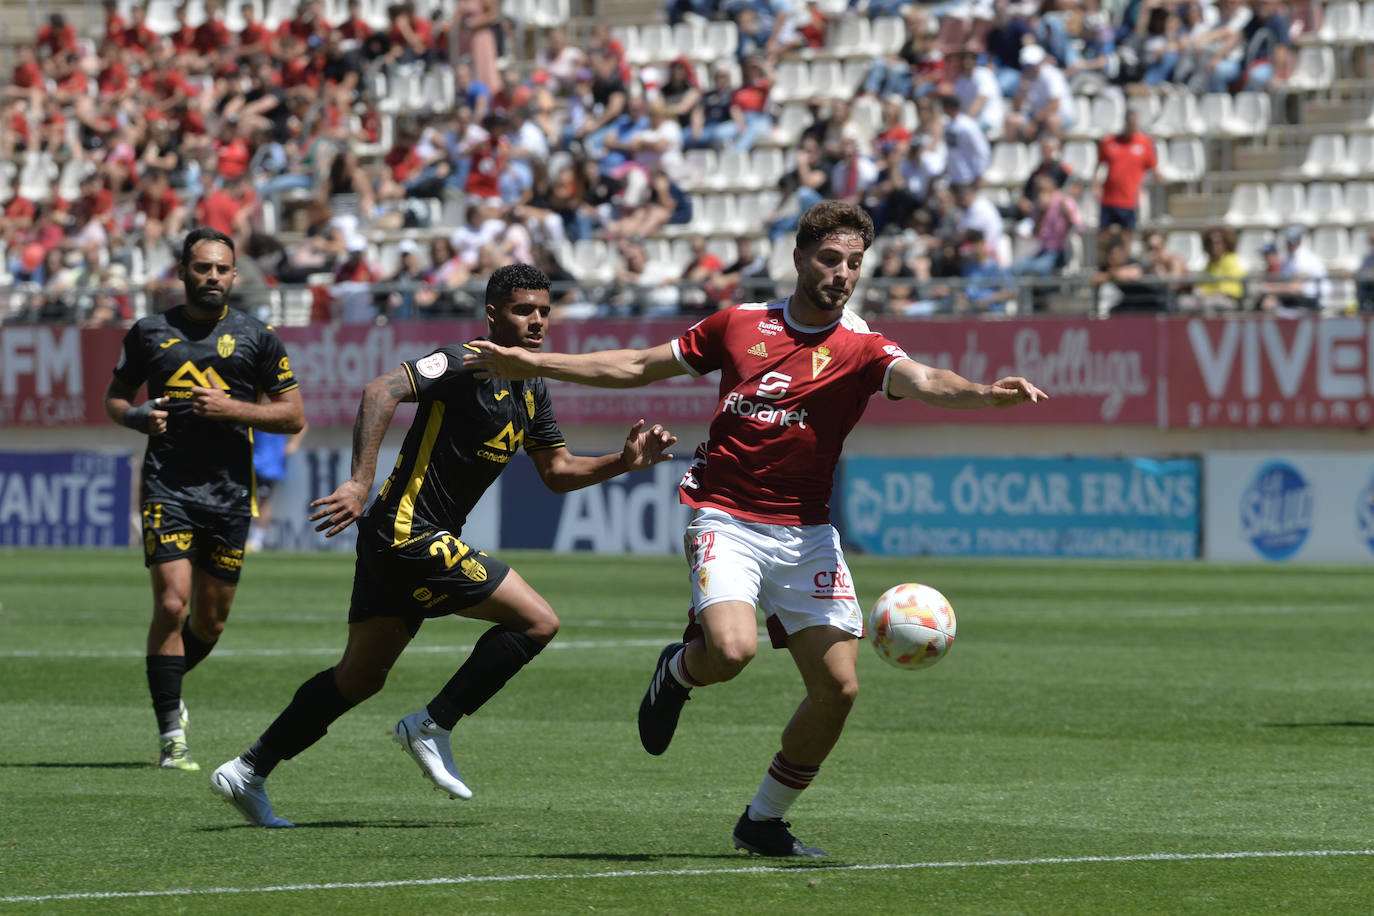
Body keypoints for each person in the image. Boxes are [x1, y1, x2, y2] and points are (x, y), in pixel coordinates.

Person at [462, 202, 1048, 857]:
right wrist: (536, 364)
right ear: (798, 258)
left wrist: (984, 395)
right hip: (726, 517)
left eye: (854, 263)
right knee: (732, 652)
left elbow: (928, 380)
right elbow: (636, 366)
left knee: (839, 690)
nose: (843, 274)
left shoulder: (862, 348)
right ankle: (678, 673)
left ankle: (763, 822)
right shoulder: (739, 326)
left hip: (807, 534)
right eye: (830, 259)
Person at [209, 264, 677, 827]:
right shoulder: (462, 361)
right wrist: (360, 480)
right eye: (522, 310)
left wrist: (623, 462)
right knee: (537, 622)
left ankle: (248, 769)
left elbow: (556, 470)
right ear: (492, 314)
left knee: (359, 677)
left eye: (544, 312)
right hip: (407, 531)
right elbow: (380, 390)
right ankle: (432, 724)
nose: (535, 322)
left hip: (403, 539)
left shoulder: (531, 387)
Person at [103, 227, 306, 772]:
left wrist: (233, 409)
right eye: (202, 268)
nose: (212, 277)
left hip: (230, 494)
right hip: (167, 485)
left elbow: (292, 415)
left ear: (235, 276)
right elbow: (116, 399)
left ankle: (167, 682)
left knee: (210, 621)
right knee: (172, 602)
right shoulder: (148, 333)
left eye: (221, 269)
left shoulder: (257, 338)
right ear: (183, 272)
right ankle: (172, 733)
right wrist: (138, 417)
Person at [247, 425, 309, 552]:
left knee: (264, 501)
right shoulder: (253, 410)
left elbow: (302, 424)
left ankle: (256, 540)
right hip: (251, 462)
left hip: (267, 466)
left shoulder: (276, 410)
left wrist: (293, 445)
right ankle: (247, 537)